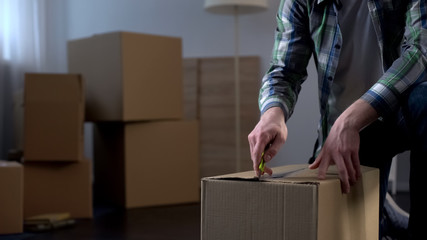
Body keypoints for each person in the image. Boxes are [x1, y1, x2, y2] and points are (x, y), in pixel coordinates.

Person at [247, 0, 426, 239]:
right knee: (336, 227)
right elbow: (284, 69)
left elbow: (421, 50)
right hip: (341, 135)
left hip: (400, 107)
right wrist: (272, 115)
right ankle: (384, 217)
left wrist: (352, 118)